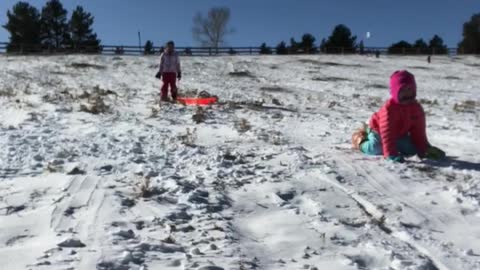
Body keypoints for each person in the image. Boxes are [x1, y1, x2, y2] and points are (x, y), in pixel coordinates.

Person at [352, 70, 445, 162]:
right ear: (396, 91)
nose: (407, 93)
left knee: (412, 150)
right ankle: (360, 139)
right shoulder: (389, 109)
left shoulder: (416, 108)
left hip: (399, 134)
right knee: (375, 148)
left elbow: (419, 132)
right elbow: (387, 133)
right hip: (379, 131)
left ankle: (396, 147)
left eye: (409, 89)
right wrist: (390, 153)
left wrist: (425, 149)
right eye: (403, 90)